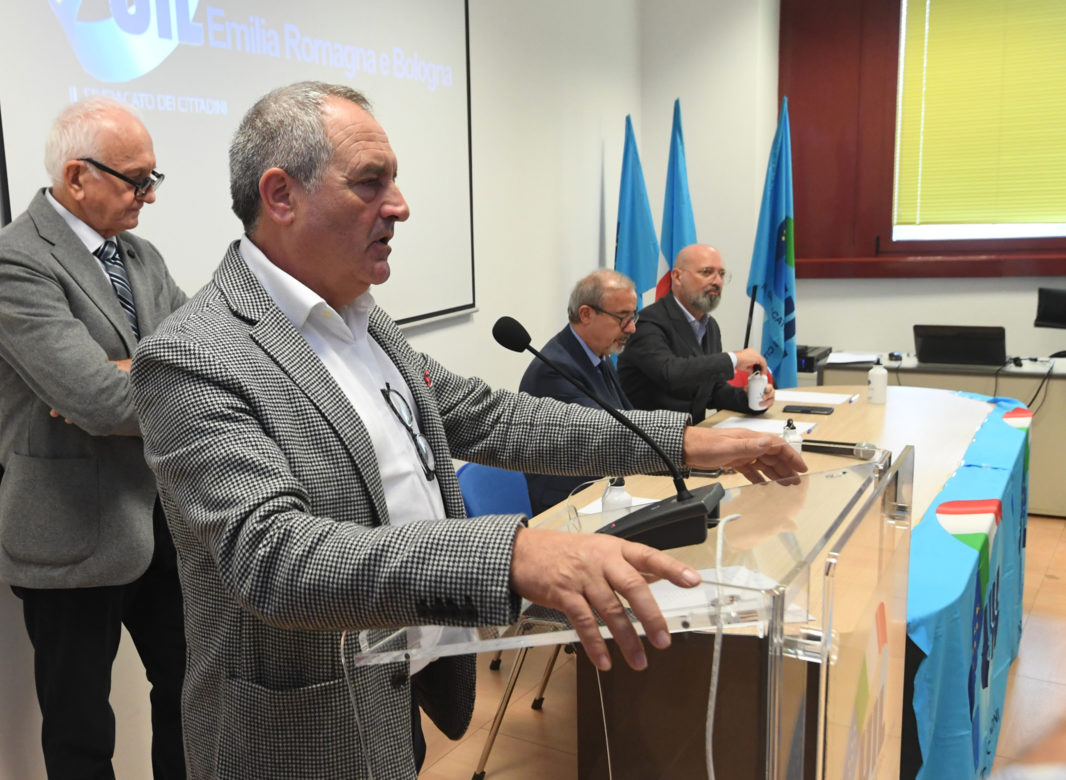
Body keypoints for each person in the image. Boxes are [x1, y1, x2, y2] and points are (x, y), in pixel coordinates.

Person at [130, 81, 806, 780]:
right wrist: (512, 553)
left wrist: (682, 443)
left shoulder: (363, 317)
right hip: (298, 733)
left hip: (397, 684)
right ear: (281, 196)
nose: (400, 205)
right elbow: (275, 557)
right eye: (370, 182)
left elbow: (495, 418)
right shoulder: (192, 355)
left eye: (394, 181)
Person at [0, 97, 188, 779]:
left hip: (161, 521)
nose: (149, 196)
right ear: (76, 177)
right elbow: (98, 401)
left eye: (153, 178)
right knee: (81, 737)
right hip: (67, 535)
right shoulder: (13, 264)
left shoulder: (142, 257)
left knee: (192, 697)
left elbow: (208, 362)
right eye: (137, 181)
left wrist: (127, 370)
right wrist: (127, 380)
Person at [518, 269, 637, 514]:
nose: (632, 328)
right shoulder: (555, 369)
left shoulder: (598, 354)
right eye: (622, 318)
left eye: (633, 316)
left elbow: (627, 415)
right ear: (586, 314)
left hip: (604, 487)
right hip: (569, 504)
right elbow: (608, 432)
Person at [618, 243, 775, 422]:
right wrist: (734, 358)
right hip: (649, 434)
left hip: (694, 433)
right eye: (707, 272)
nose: (717, 282)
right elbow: (670, 373)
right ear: (677, 277)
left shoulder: (710, 326)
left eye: (721, 274)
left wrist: (751, 400)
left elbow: (711, 391)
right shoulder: (647, 322)